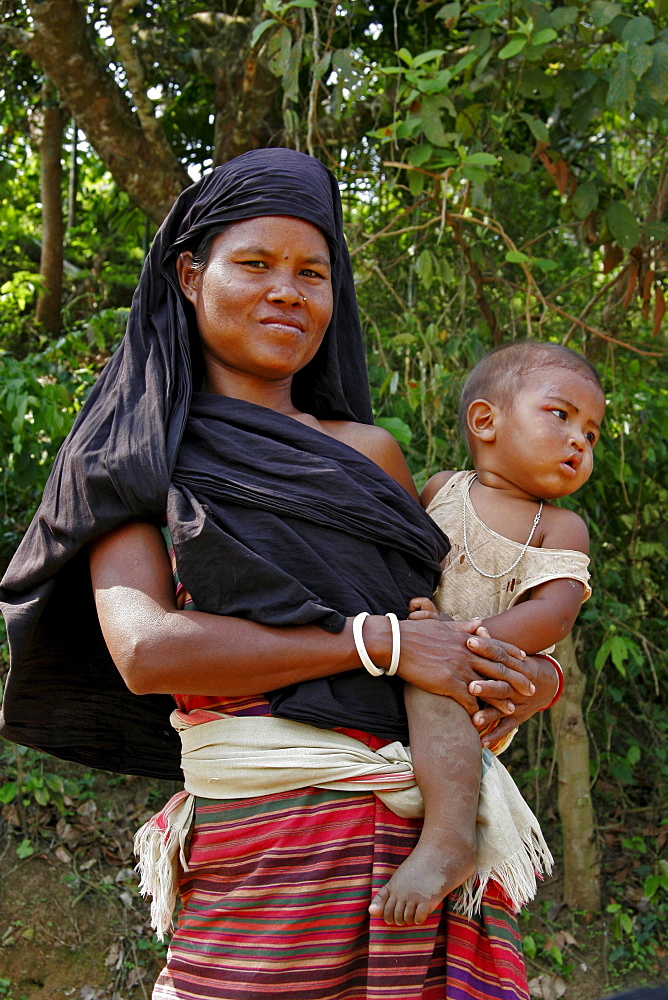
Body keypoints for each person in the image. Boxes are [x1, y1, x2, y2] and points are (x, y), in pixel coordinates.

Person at [0, 149, 560, 1000]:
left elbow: (440, 629)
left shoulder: (373, 454)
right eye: (255, 265)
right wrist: (371, 644)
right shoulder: (131, 453)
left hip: (425, 850)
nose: (288, 292)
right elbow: (149, 651)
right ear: (190, 276)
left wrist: (527, 677)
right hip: (269, 858)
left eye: (312, 272)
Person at [369, 342, 605, 928]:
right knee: (422, 672)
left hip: (488, 669)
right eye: (561, 415)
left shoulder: (561, 527)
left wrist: (465, 639)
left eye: (593, 434)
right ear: (485, 421)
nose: (579, 439)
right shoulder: (441, 490)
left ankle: (449, 838)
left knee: (435, 679)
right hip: (421, 650)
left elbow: (554, 614)